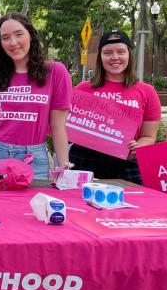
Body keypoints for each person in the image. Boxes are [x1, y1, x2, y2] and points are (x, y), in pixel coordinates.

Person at [0, 12, 72, 181]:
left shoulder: (56, 72)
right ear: (0, 44)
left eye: (19, 34)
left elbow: (58, 127)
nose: (13, 43)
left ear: (30, 35)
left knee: (32, 207)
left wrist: (64, 167)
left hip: (34, 158)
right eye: (5, 37)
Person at [67, 30, 161, 184]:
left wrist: (138, 148)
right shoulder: (82, 89)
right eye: (108, 52)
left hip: (126, 163)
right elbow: (66, 126)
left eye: (121, 52)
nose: (115, 57)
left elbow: (149, 136)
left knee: (131, 207)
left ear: (129, 55)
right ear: (100, 56)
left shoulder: (147, 91)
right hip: (84, 160)